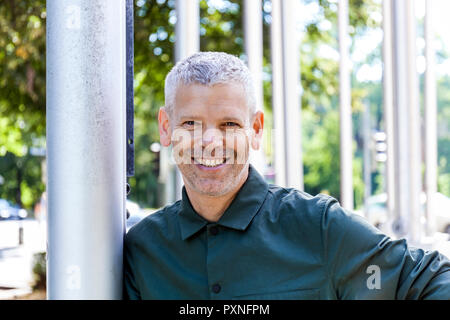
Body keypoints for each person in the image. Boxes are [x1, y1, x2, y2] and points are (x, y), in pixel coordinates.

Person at [123, 51, 450, 300]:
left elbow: (431, 281)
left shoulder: (319, 229)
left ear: (255, 129)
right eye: (190, 124)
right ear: (166, 128)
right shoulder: (142, 251)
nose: (210, 141)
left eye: (229, 125)